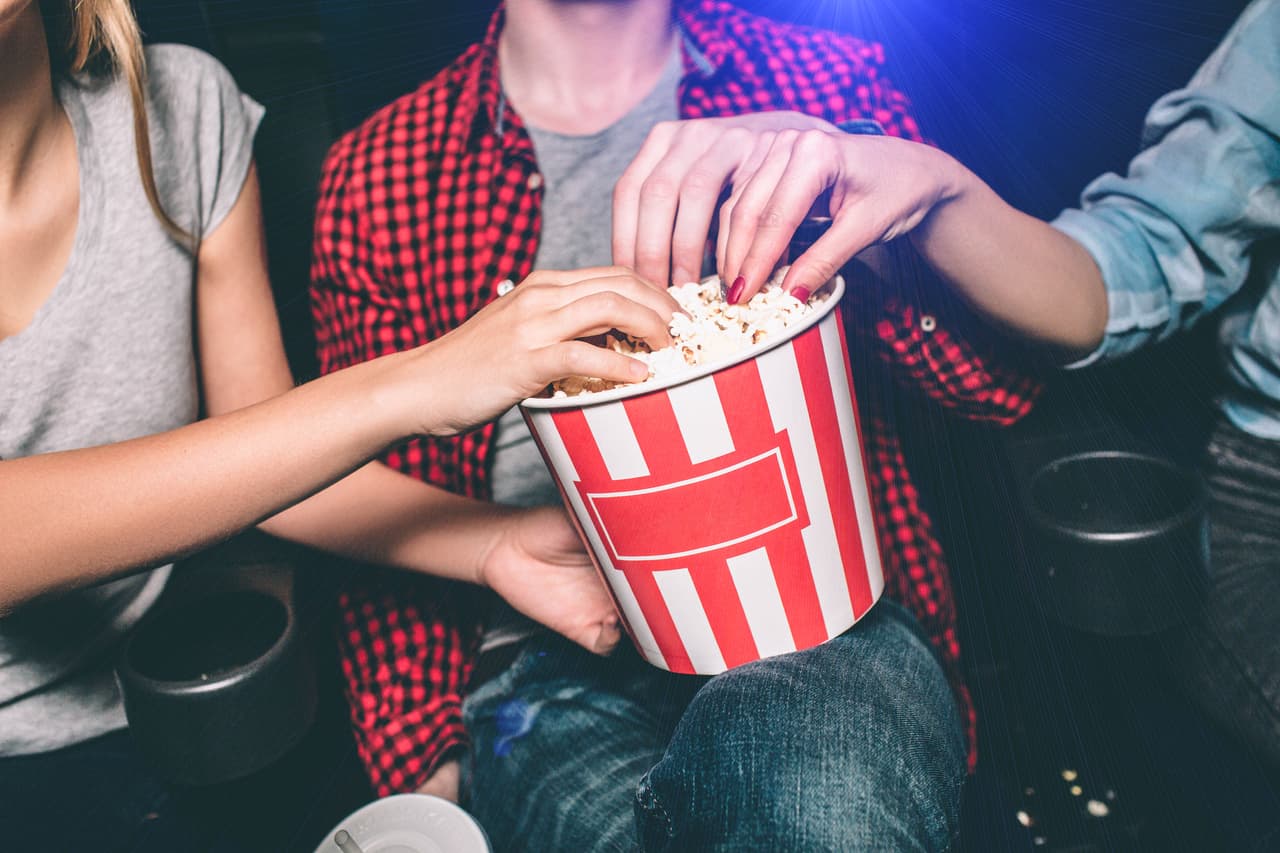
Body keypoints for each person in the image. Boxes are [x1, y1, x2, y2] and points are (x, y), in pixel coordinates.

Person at [311, 0, 1041, 848]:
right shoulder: (382, 172)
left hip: (823, 619)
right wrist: (428, 766)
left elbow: (998, 387)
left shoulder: (818, 86)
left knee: (821, 807)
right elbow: (380, 497)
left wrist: (903, 209)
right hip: (552, 661)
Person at [0, 1, 675, 847]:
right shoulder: (387, 166)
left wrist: (491, 543)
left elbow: (264, 461)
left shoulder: (182, 106)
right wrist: (423, 378)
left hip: (193, 706)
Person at [710, 0, 1280, 772]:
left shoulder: (817, 67)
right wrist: (938, 192)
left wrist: (925, 196)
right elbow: (1134, 258)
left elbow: (991, 386)